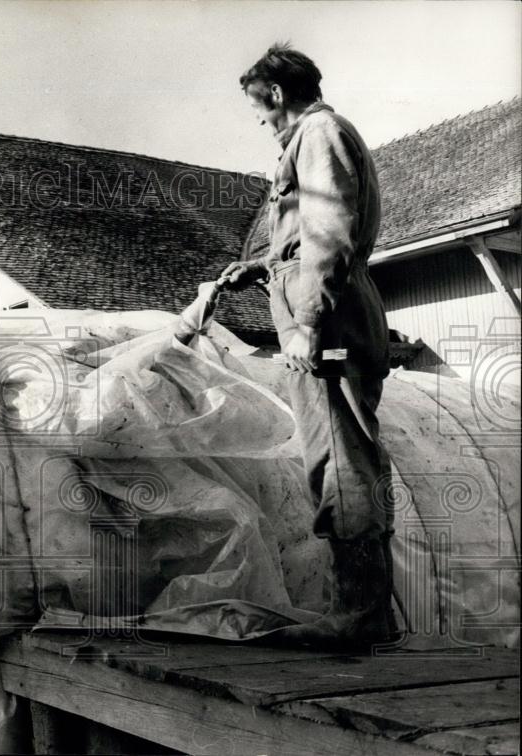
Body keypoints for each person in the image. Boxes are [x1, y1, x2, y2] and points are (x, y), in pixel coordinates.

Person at [219, 44, 397, 646]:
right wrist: (263, 268)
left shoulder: (317, 133)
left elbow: (328, 232)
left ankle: (358, 615)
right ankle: (371, 613)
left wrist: (306, 325)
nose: (259, 121)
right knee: (350, 458)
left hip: (329, 324)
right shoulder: (322, 137)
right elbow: (307, 237)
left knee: (339, 466)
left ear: (273, 94)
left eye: (257, 107)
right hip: (332, 312)